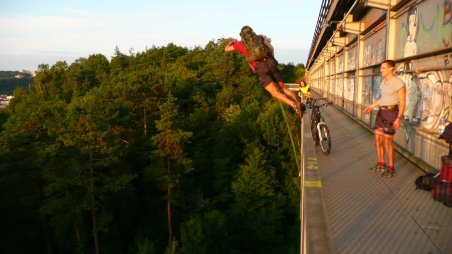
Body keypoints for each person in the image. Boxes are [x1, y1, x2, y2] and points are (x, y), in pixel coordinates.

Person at [224, 26, 305, 117]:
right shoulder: (261, 38)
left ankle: (294, 105)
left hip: (260, 67)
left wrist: (231, 42)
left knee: (274, 92)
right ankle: (299, 104)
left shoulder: (240, 44)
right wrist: (272, 60)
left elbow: (226, 49)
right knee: (283, 88)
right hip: (270, 62)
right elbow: (271, 48)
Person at [364, 60, 406, 177]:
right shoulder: (383, 82)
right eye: (381, 68)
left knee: (387, 142)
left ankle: (391, 167)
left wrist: (399, 118)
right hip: (382, 112)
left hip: (392, 113)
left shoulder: (398, 83)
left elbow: (402, 102)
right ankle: (381, 163)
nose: (381, 70)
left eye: (383, 68)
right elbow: (383, 99)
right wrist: (371, 106)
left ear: (391, 69)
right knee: (377, 140)